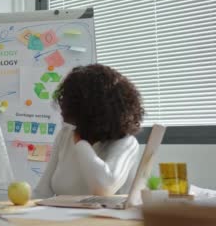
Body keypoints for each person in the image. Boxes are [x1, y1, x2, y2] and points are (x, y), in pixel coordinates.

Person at [33, 64, 144, 199]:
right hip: (64, 219)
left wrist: (81, 143)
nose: (63, 109)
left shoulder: (126, 143)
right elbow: (42, 192)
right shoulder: (65, 134)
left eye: (69, 102)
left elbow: (103, 188)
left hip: (106, 219)